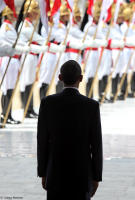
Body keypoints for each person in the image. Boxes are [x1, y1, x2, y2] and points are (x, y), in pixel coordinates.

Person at [37, 60, 103, 200]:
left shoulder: (47, 103)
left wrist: (43, 172)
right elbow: (96, 145)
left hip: (55, 172)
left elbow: (42, 141)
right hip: (82, 174)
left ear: (60, 77)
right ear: (81, 78)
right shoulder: (91, 106)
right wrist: (96, 176)